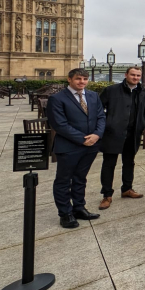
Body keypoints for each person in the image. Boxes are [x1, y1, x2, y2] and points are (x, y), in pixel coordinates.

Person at [46, 68, 105, 228]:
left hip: (91, 145)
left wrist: (97, 135)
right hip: (69, 146)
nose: (82, 82)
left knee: (80, 178)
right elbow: (59, 124)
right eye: (79, 79)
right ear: (69, 79)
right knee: (63, 181)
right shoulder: (57, 99)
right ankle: (65, 213)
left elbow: (101, 116)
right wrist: (82, 139)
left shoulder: (93, 96)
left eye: (85, 79)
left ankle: (79, 208)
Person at [97, 66, 145, 210]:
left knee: (129, 162)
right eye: (133, 75)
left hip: (133, 133)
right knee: (109, 164)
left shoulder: (143, 91)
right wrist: (107, 124)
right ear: (126, 75)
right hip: (113, 133)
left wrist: (142, 124)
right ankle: (107, 195)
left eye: (138, 75)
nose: (135, 78)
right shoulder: (111, 90)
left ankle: (127, 188)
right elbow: (99, 110)